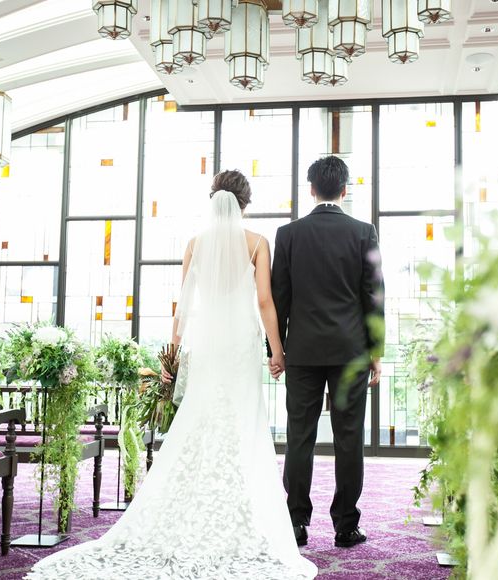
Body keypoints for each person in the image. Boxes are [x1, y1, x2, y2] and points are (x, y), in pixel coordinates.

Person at [26, 170, 317, 579]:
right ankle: (239, 513)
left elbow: (184, 304)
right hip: (239, 345)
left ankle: (187, 508)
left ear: (214, 199)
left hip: (208, 347)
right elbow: (266, 301)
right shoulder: (256, 243)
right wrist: (277, 351)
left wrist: (172, 354)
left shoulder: (196, 244)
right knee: (241, 425)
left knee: (200, 421)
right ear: (244, 204)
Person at [268, 155, 385, 550]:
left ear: (311, 189)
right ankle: (346, 526)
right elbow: (374, 296)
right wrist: (376, 352)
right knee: (349, 438)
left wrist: (276, 350)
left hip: (302, 351)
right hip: (351, 351)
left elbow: (279, 299)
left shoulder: (289, 234)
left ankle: (296, 523)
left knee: (299, 436)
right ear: (345, 190)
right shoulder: (363, 232)